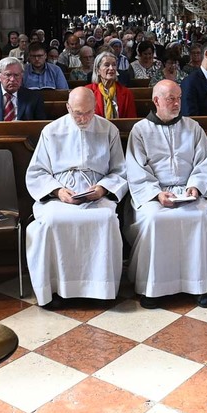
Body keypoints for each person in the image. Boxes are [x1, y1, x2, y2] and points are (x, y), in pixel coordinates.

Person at [25, 87, 128, 308]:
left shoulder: (108, 129)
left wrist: (102, 189)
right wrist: (57, 191)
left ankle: (100, 289)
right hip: (61, 193)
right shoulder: (52, 131)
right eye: (78, 113)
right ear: (68, 108)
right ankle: (57, 289)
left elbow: (120, 170)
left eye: (89, 113)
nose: (83, 119)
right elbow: (37, 172)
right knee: (52, 221)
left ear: (95, 107)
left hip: (96, 192)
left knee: (106, 219)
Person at [124, 80, 207, 309]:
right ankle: (153, 289)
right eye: (171, 99)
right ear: (156, 101)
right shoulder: (140, 130)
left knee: (199, 217)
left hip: (188, 191)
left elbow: (204, 162)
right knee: (155, 219)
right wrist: (157, 194)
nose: (177, 103)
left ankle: (199, 286)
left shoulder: (193, 128)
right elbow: (136, 169)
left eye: (179, 98)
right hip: (154, 193)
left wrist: (195, 186)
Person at [0, 57, 47, 121]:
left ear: (22, 76)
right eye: (8, 75)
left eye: (16, 75)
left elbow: (40, 125)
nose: (12, 79)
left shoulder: (34, 97)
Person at [86, 51, 136, 119]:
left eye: (114, 65)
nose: (111, 68)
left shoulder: (126, 93)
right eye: (107, 65)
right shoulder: (88, 92)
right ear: (98, 70)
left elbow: (131, 120)